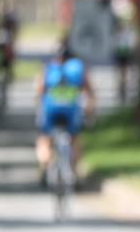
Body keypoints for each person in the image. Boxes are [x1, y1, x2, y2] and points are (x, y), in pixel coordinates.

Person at [34, 39, 95, 185]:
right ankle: (74, 171)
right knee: (74, 138)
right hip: (71, 110)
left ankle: (44, 167)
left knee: (44, 138)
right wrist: (89, 109)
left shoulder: (48, 68)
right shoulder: (78, 68)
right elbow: (89, 91)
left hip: (50, 110)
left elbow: (39, 90)